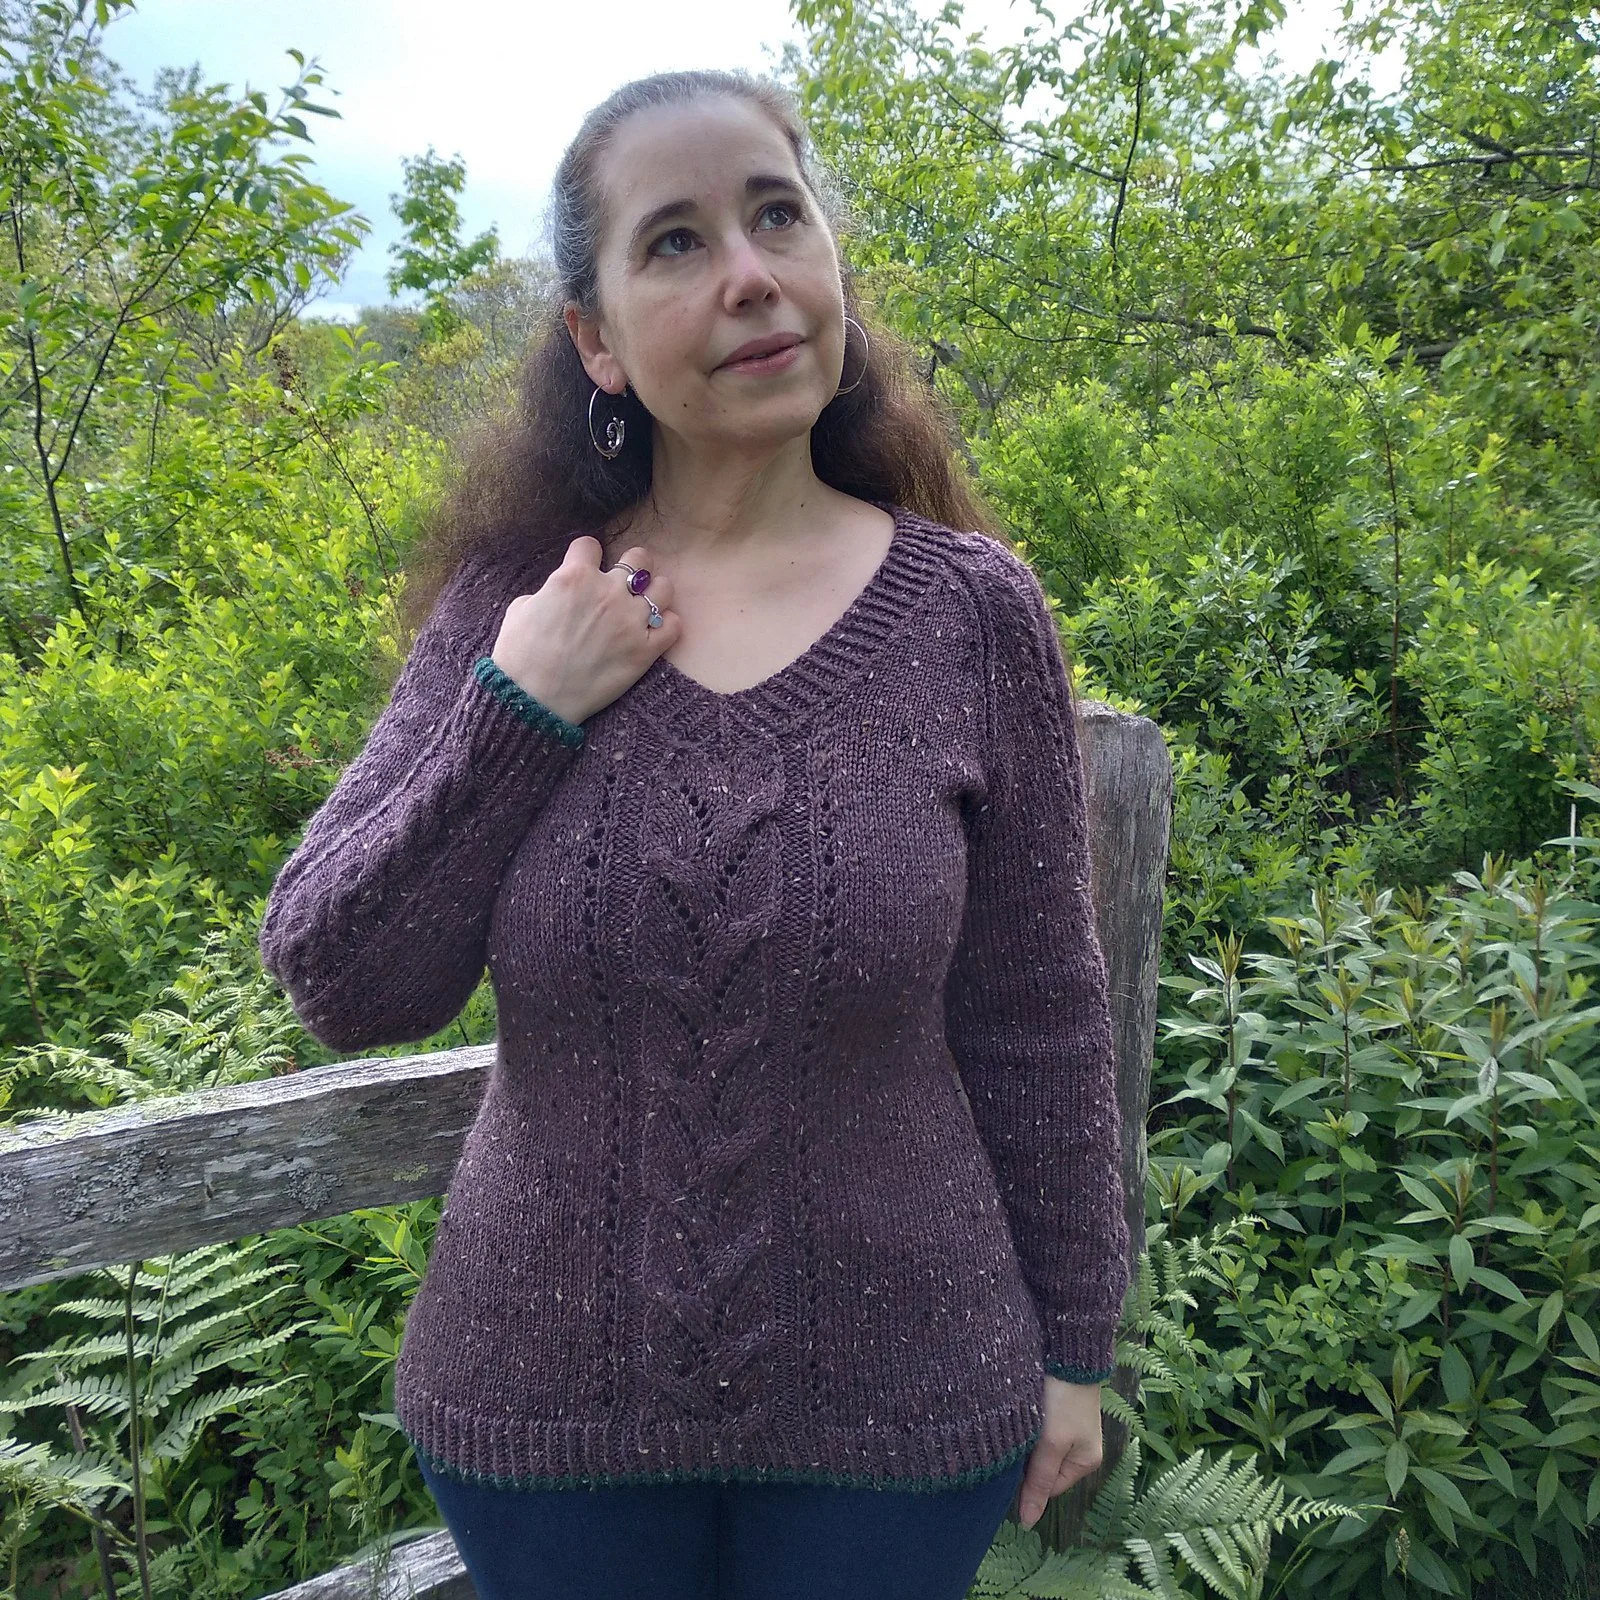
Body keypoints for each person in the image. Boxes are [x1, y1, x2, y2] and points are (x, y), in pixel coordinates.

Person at [258, 66, 1131, 1600]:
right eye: (674, 240)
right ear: (595, 340)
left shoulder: (971, 615)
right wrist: (520, 709)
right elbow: (342, 978)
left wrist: (1075, 1347)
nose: (749, 274)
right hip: (545, 1407)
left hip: (907, 1400)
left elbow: (1039, 1017)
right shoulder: (518, 606)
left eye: (778, 216)